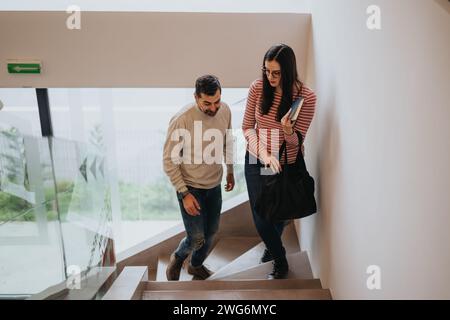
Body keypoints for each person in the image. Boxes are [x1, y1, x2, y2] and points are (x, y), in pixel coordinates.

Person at [242, 44, 316, 279]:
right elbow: (246, 128)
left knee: (280, 212)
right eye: (266, 71)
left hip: (286, 163)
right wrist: (263, 155)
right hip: (257, 158)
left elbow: (297, 142)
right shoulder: (257, 88)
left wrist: (287, 131)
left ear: (288, 70)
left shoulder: (306, 97)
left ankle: (270, 246)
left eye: (276, 73)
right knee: (262, 215)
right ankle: (280, 259)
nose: (270, 77)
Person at [163, 75, 235, 281]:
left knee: (211, 233)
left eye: (217, 102)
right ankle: (177, 258)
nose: (213, 108)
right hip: (190, 187)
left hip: (214, 184)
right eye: (207, 103)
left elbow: (227, 141)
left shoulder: (226, 110)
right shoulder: (182, 119)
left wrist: (230, 170)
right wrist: (184, 193)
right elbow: (169, 160)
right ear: (196, 98)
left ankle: (195, 265)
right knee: (196, 238)